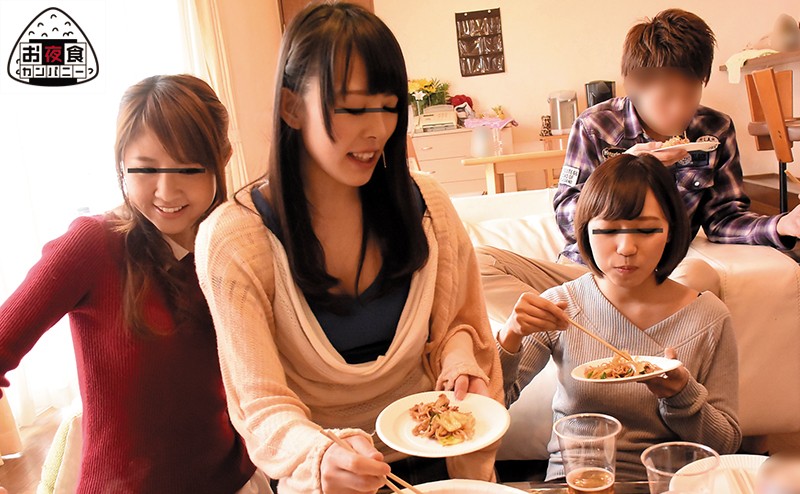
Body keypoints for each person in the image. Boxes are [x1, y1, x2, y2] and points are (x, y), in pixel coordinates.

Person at [194, 3, 503, 494]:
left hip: (437, 454)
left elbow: (459, 325)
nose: (377, 129)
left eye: (389, 106)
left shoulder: (428, 207)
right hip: (323, 475)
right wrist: (321, 455)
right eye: (355, 109)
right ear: (291, 108)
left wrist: (461, 361)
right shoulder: (235, 240)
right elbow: (260, 407)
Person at [0, 75, 268, 493]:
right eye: (145, 169)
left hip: (234, 480)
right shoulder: (92, 245)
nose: (167, 190)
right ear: (121, 163)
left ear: (223, 158)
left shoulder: (236, 244)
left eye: (189, 168)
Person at [478, 8, 799, 322]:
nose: (680, 108)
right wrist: (627, 166)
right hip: (589, 273)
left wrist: (781, 225)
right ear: (634, 87)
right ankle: (607, 322)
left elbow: (723, 217)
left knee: (700, 277)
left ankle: (586, 326)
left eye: (691, 93)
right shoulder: (596, 126)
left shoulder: (714, 129)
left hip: (662, 275)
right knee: (480, 265)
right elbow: (566, 214)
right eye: (667, 96)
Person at [497, 153, 742, 480]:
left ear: (671, 231)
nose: (626, 247)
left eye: (647, 230)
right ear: (585, 231)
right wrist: (510, 335)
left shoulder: (709, 317)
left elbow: (725, 444)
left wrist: (681, 394)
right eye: (609, 230)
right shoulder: (562, 305)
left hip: (669, 483)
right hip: (577, 481)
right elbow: (490, 402)